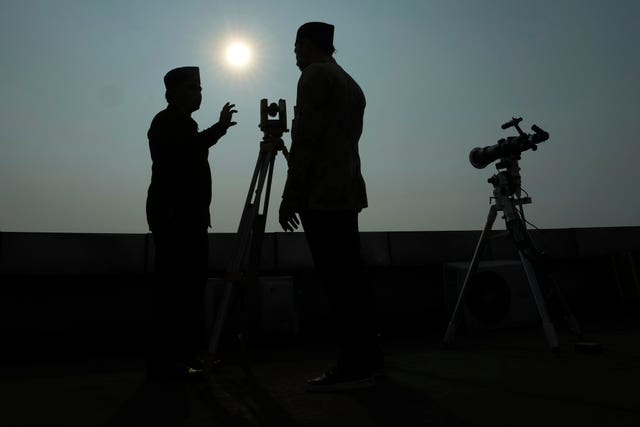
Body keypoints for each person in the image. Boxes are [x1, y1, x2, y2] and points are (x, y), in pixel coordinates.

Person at [279, 22, 383, 392]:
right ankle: (370, 360)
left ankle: (353, 366)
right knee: (353, 279)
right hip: (347, 192)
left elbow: (306, 143)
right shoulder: (349, 82)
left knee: (338, 283)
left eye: (296, 47)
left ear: (307, 45)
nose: (294, 54)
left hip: (321, 196)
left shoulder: (312, 78)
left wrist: (289, 197)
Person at [146, 66, 237, 379]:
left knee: (189, 290)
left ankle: (185, 355)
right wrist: (220, 128)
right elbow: (188, 151)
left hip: (190, 218)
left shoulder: (182, 124)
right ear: (172, 94)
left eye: (199, 88)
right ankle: (169, 360)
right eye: (191, 88)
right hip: (176, 220)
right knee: (175, 291)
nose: (198, 94)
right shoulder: (166, 123)